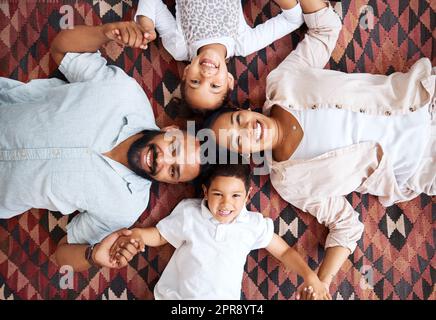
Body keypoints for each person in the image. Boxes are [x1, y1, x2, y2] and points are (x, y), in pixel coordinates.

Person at [205, 0, 435, 292]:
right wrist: (322, 282)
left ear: (245, 109)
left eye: (238, 119)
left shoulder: (282, 81)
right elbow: (346, 226)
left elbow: (324, 29)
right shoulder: (289, 182)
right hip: (424, 165)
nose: (248, 129)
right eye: (239, 141)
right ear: (243, 156)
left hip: (425, 100)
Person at [0, 21, 203, 271]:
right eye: (174, 150)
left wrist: (93, 255)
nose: (163, 161)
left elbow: (62, 254)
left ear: (170, 182)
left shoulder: (126, 208)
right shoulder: (125, 93)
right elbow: (61, 50)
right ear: (170, 130)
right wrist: (105, 33)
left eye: (173, 171)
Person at [108, 164, 331, 300]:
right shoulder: (190, 213)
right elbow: (158, 235)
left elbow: (283, 252)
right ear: (205, 192)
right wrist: (138, 235)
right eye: (218, 194)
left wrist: (310, 277)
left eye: (235, 196)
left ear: (247, 195)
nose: (226, 204)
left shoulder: (253, 224)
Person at [134, 0, 304, 112]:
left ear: (186, 72)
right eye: (215, 85)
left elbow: (153, 3)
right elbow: (293, 20)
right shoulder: (243, 43)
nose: (206, 76)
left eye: (195, 82)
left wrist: (146, 24)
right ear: (229, 81)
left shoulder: (179, 47)